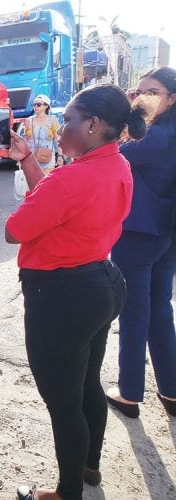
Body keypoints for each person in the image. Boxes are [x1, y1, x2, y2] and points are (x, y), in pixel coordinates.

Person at [5, 84, 146, 500]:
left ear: (92, 124)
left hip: (62, 295)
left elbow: (14, 230)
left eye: (67, 120)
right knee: (86, 386)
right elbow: (55, 203)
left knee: (64, 403)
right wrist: (29, 160)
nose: (62, 127)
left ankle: (68, 493)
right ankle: (89, 468)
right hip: (99, 283)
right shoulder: (115, 164)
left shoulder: (73, 177)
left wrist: (35, 193)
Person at [106, 67, 176, 419]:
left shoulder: (155, 136)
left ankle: (130, 392)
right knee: (159, 309)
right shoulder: (166, 131)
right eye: (138, 91)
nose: (142, 98)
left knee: (135, 311)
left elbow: (112, 155)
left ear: (172, 98)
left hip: (139, 233)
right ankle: (171, 389)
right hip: (165, 233)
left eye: (153, 92)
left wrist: (131, 121)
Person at [21, 95, 62, 173]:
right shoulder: (29, 120)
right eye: (34, 105)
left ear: (46, 106)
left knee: (46, 182)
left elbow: (58, 139)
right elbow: (26, 140)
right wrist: (22, 157)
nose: (36, 107)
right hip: (32, 158)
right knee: (34, 184)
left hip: (47, 157)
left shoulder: (52, 120)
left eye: (39, 105)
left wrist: (60, 155)